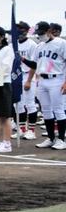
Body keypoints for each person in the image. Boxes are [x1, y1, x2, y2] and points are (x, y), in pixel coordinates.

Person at [24, 22, 66, 150]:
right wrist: (22, 60)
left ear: (49, 31)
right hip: (42, 80)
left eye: (41, 33)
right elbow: (35, 65)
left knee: (58, 110)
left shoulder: (61, 43)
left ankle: (61, 140)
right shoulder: (39, 46)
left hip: (57, 79)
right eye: (38, 34)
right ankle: (51, 138)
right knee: (46, 110)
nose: (40, 36)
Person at [15, 21, 38, 140]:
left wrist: (29, 80)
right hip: (17, 76)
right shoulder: (13, 44)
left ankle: (32, 131)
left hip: (28, 75)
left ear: (27, 30)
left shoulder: (32, 44)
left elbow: (34, 64)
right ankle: (22, 129)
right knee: (19, 105)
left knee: (30, 104)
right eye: (17, 29)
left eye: (21, 29)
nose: (19, 31)